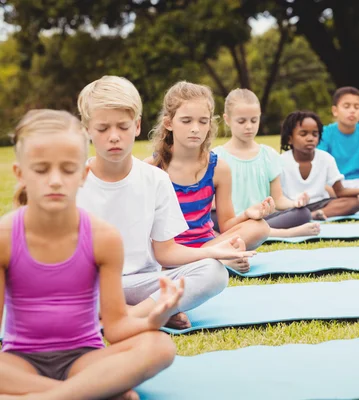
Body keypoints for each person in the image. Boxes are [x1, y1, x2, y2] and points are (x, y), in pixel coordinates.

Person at [0, 109, 183, 400]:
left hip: (84, 360)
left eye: (68, 169)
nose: (56, 180)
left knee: (160, 347)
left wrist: (151, 321)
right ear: (20, 174)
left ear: (84, 175)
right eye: (41, 169)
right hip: (19, 362)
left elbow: (116, 326)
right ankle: (94, 393)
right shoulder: (4, 237)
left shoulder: (104, 238)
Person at [76, 76, 255, 330]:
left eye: (123, 127)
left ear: (137, 126)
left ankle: (129, 317)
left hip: (141, 283)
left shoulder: (156, 179)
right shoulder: (72, 183)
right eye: (103, 129)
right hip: (88, 287)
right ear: (87, 130)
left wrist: (213, 251)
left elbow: (166, 252)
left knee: (213, 272)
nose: (114, 137)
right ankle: (153, 313)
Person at [146, 81, 273, 273]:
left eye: (203, 121)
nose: (195, 128)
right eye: (186, 121)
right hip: (168, 251)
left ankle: (205, 261)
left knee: (260, 228)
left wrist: (248, 214)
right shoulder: (151, 168)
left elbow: (227, 224)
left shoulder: (218, 168)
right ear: (168, 123)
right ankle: (214, 260)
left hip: (209, 244)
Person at [213, 89, 320, 238]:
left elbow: (278, 200)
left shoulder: (268, 155)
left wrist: (295, 203)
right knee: (211, 219)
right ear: (227, 119)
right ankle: (283, 233)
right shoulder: (216, 156)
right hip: (231, 221)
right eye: (241, 121)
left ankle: (255, 233)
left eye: (254, 120)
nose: (249, 126)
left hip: (262, 219)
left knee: (303, 213)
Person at [280, 110, 359, 220]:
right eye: (303, 134)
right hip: (291, 206)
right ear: (290, 139)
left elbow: (340, 191)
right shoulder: (280, 161)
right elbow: (276, 197)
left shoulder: (326, 158)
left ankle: (312, 215)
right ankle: (300, 216)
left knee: (354, 202)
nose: (310, 138)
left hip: (320, 204)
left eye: (315, 134)